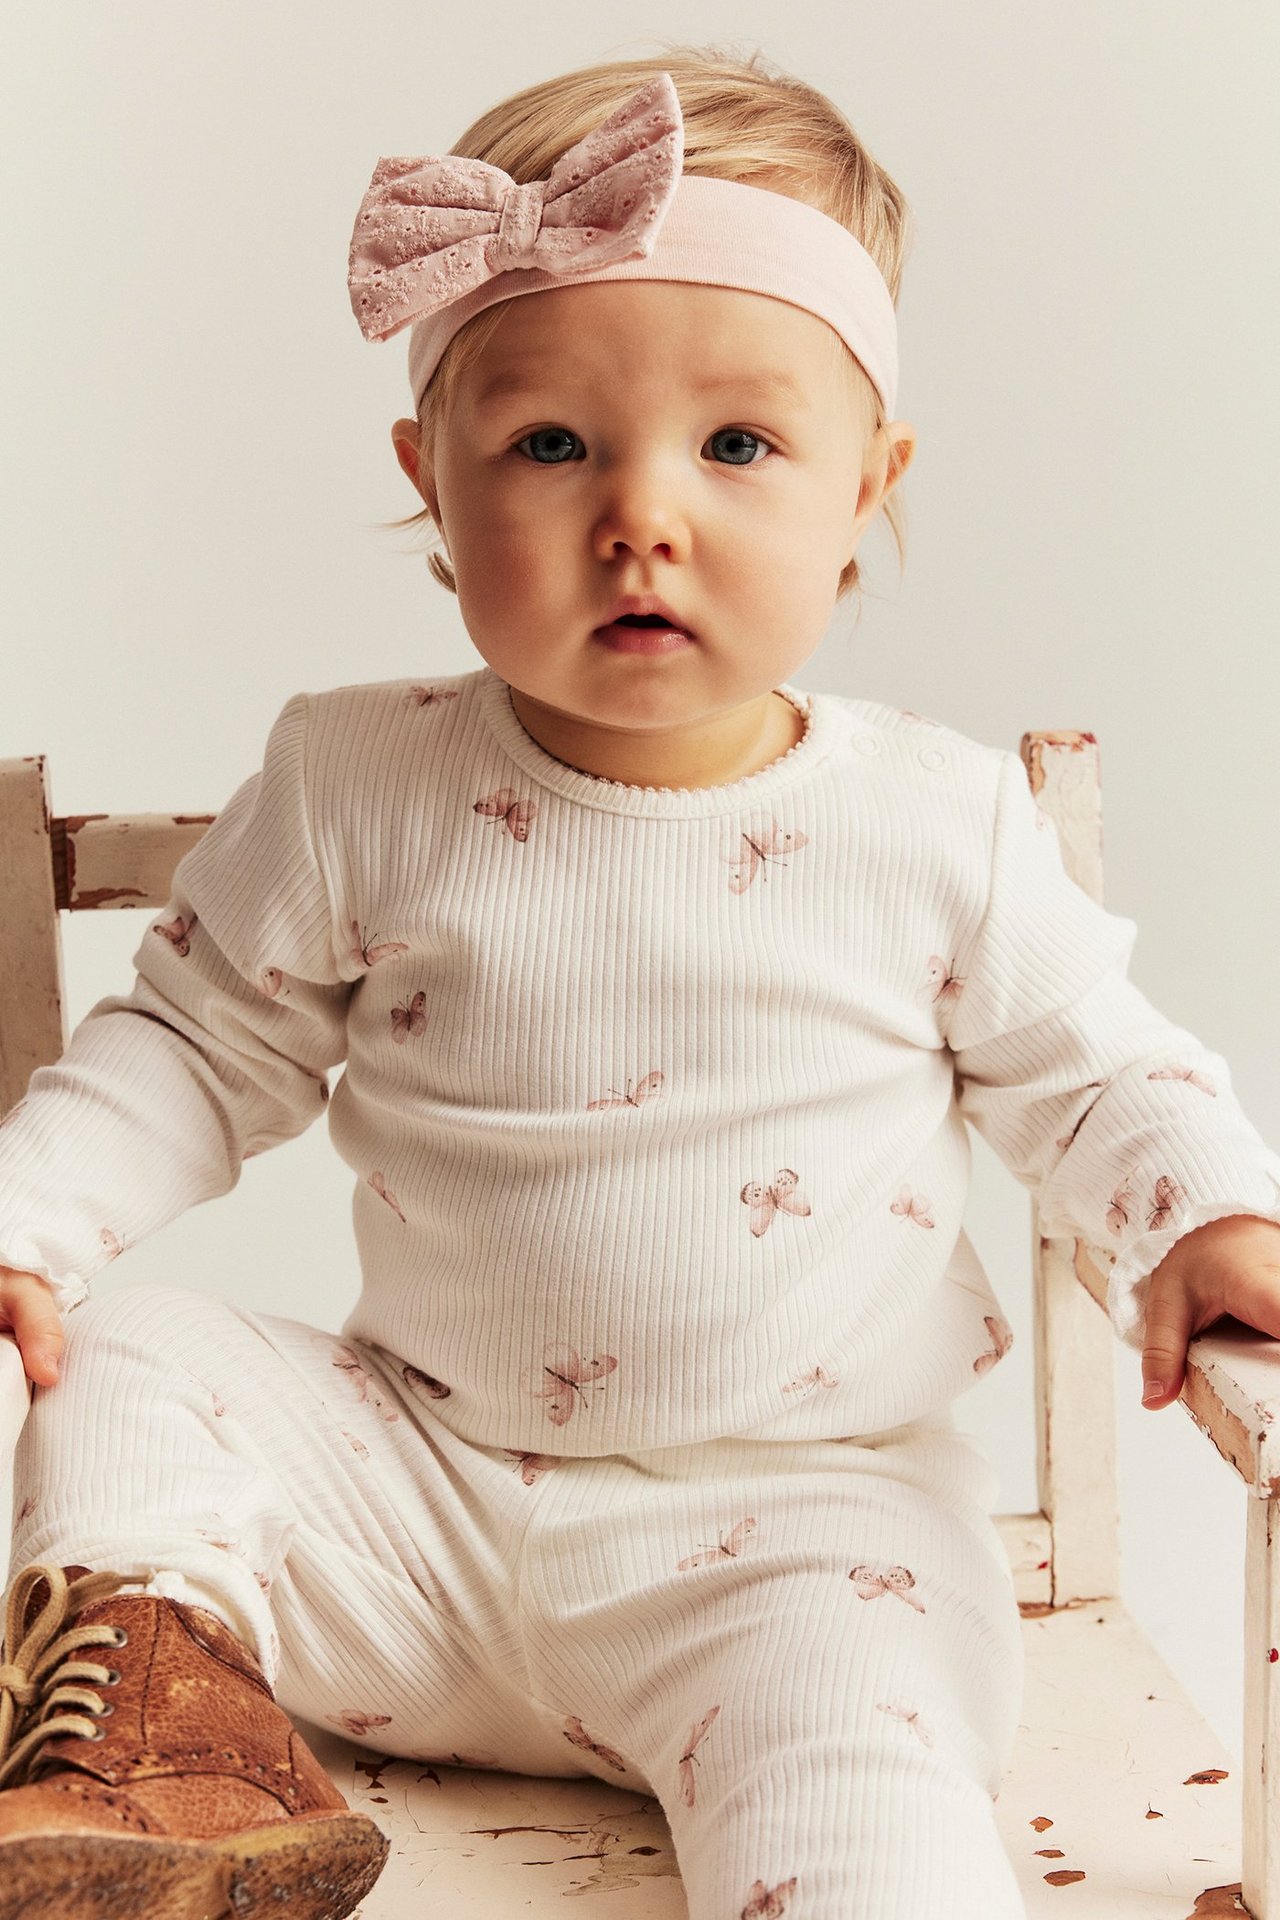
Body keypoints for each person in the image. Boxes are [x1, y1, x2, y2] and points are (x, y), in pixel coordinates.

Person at [1, 48, 1279, 1920]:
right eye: (547, 444)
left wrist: (1204, 1212)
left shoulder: (934, 819)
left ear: (868, 491)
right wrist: (31, 1224)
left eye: (740, 446)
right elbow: (197, 1047)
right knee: (135, 1361)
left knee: (865, 1787)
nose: (641, 515)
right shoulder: (361, 776)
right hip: (418, 1511)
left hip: (797, 1548)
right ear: (429, 485)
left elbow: (1094, 1072)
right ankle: (176, 1754)